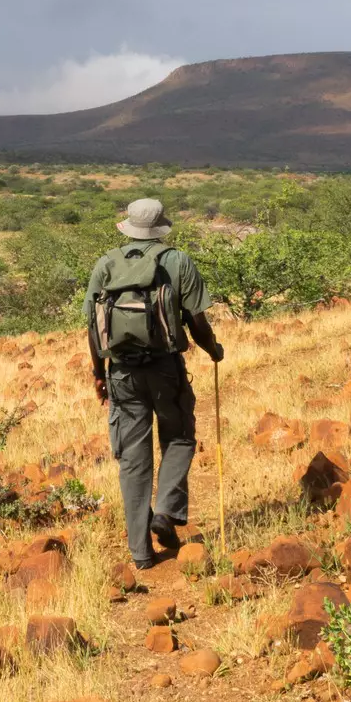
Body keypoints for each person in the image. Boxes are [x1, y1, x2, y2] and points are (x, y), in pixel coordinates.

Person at [85, 198, 224, 569]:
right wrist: (213, 350)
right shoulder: (177, 261)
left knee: (132, 459)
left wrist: (99, 373)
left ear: (128, 226)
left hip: (122, 374)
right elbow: (196, 320)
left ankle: (141, 554)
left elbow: (92, 327)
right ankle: (165, 510)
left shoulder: (106, 264)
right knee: (179, 436)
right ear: (161, 227)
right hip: (165, 369)